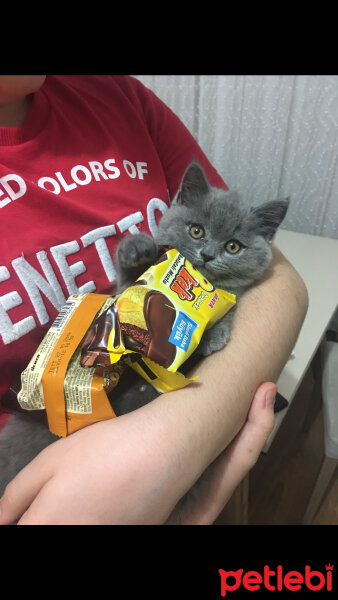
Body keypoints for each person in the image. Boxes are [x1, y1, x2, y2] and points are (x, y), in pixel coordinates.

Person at [0, 75, 308, 525]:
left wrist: (167, 448)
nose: (205, 253)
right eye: (198, 234)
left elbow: (283, 285)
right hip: (35, 461)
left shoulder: (112, 92)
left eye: (230, 248)